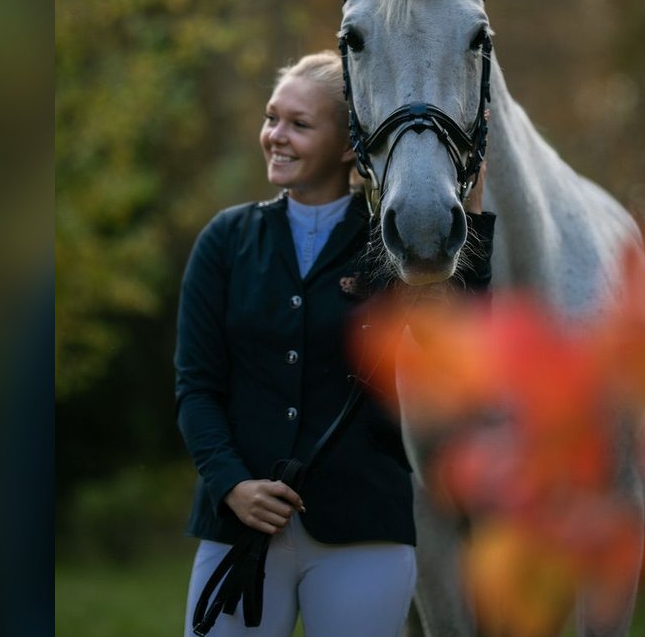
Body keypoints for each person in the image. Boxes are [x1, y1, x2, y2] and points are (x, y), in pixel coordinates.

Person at [174, 50, 494, 637]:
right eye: (272, 118)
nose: (275, 136)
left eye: (299, 124)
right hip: (238, 531)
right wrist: (231, 485)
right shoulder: (224, 241)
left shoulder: (392, 247)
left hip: (365, 532)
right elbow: (195, 387)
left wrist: (475, 234)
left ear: (349, 144)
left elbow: (460, 354)